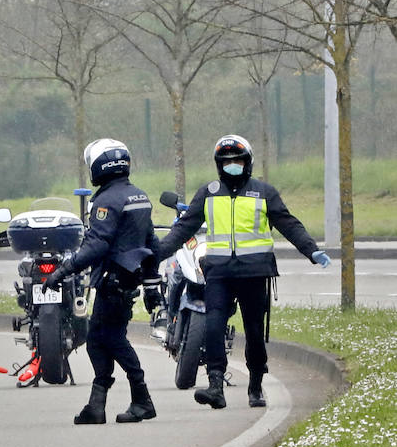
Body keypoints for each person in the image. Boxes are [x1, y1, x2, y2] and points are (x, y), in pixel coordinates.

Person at [154, 135, 329, 409]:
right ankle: (215, 385)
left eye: (237, 161)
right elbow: (183, 228)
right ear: (218, 165)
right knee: (212, 326)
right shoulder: (209, 193)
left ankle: (256, 384)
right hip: (219, 273)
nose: (232, 166)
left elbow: (287, 223)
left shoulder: (264, 192)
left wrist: (311, 250)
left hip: (254, 273)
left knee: (254, 332)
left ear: (248, 163)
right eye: (226, 162)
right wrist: (158, 252)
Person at [44, 138, 159, 425]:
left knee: (112, 339)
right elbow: (151, 241)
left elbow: (97, 245)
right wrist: (152, 283)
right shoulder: (138, 196)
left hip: (114, 280)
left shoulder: (106, 201)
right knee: (97, 339)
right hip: (126, 279)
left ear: (98, 166)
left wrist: (61, 271)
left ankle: (142, 399)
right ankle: (97, 404)